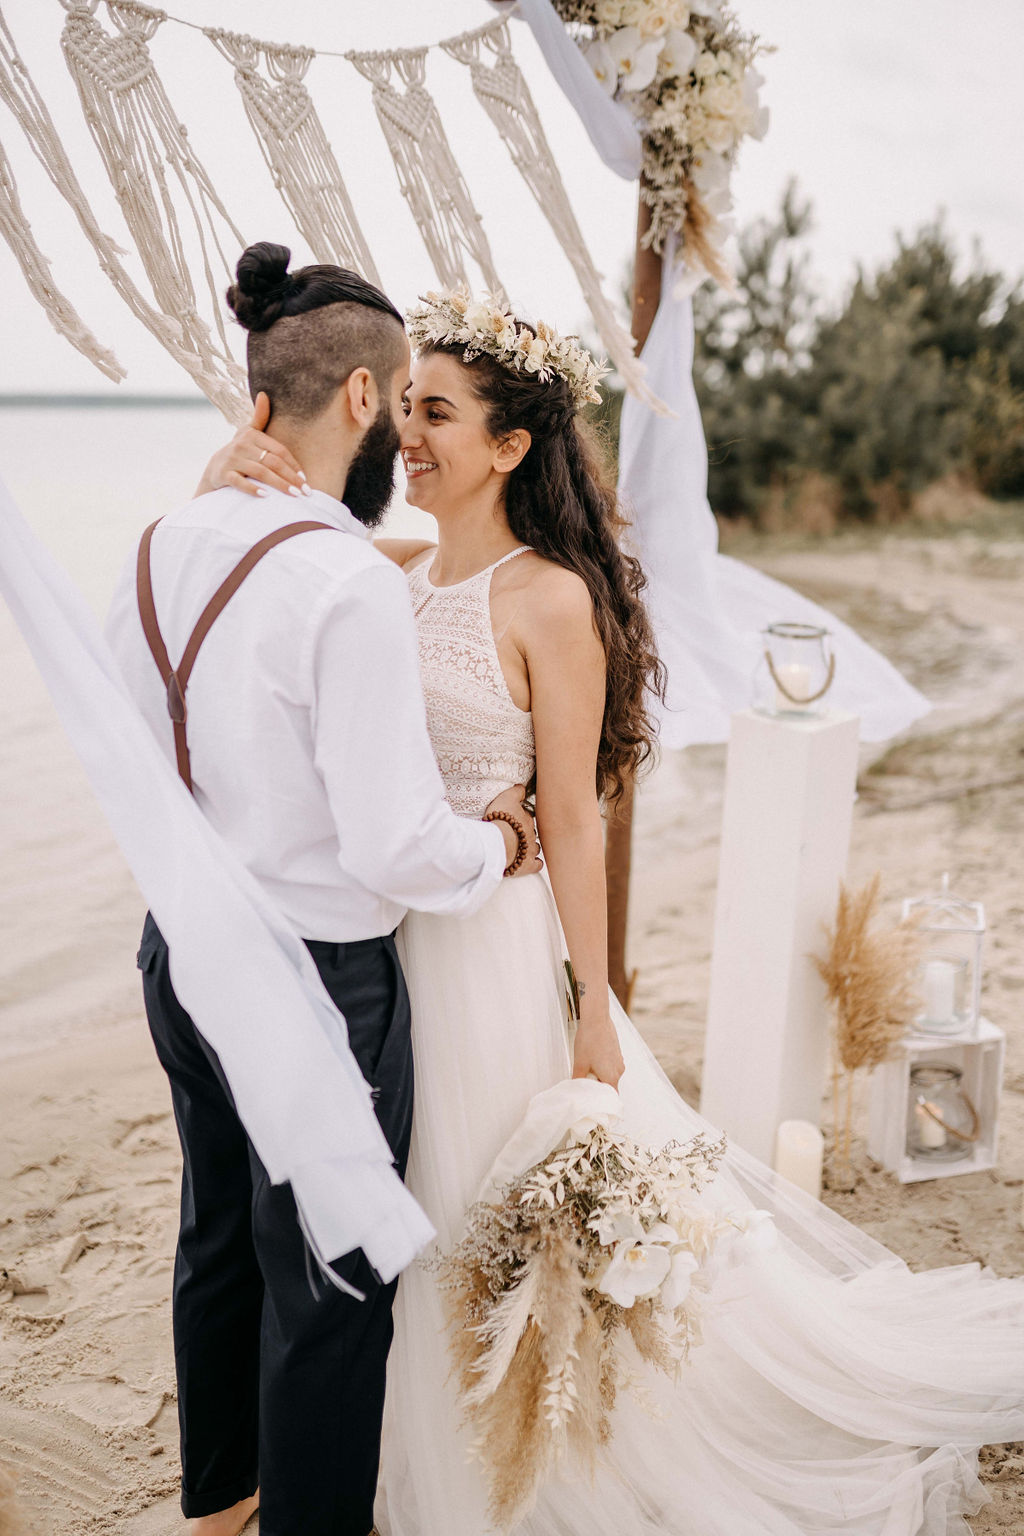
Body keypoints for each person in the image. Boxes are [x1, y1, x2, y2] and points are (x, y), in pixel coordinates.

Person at [203, 284, 1024, 1535]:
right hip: (387, 938)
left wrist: (592, 1006)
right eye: (403, 408)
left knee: (476, 1196)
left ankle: (508, 1455)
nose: (406, 438)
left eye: (437, 414)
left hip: (492, 952)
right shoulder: (393, 568)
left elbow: (579, 818)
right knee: (394, 1207)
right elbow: (279, 544)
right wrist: (233, 458)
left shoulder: (552, 601)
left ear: (512, 445)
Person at [106, 246, 542, 1536]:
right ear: (359, 395)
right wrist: (501, 846)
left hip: (179, 951)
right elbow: (398, 847)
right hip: (315, 980)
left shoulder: (159, 538)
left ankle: (218, 1509)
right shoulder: (346, 584)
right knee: (337, 1284)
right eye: (401, 397)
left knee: (221, 1239)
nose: (403, 424)